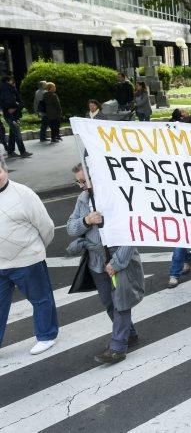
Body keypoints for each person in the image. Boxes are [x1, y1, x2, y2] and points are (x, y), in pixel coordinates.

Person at [67, 163, 145, 364]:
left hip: (119, 259)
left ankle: (117, 347)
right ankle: (130, 334)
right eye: (79, 182)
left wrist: (117, 263)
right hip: (96, 263)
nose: (83, 186)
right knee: (109, 303)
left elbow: (132, 232)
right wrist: (86, 220)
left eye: (85, 181)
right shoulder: (83, 200)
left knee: (121, 303)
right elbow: (70, 229)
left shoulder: (117, 198)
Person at [0, 155, 58, 355]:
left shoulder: (23, 193)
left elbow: (46, 227)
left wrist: (37, 250)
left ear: (5, 170)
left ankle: (46, 335)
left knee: (40, 299)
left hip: (27, 260)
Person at [0, 76, 32, 158]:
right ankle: (23, 152)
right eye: (11, 80)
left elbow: (18, 102)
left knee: (13, 133)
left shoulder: (7, 89)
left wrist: (15, 107)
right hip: (11, 114)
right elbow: (13, 101)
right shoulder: (7, 89)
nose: (12, 82)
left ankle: (10, 151)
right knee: (17, 133)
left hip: (10, 114)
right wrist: (15, 106)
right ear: (8, 81)